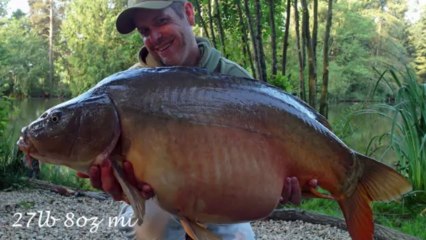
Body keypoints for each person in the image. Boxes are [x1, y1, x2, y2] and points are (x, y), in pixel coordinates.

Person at [78, 0, 318, 239]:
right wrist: (123, 189)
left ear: (189, 13)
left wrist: (278, 186)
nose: (155, 37)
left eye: (161, 21)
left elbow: (260, 172)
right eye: (145, 31)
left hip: (219, 197)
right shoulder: (127, 88)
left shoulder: (234, 79)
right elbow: (121, 180)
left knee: (240, 237)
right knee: (150, 226)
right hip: (153, 200)